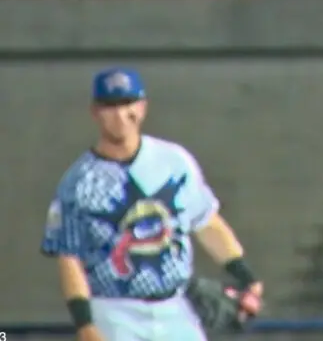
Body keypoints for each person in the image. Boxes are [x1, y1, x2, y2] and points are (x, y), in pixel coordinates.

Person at [41, 67, 263, 341]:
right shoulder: (79, 181)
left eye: (128, 103)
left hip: (176, 306)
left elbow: (206, 223)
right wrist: (85, 324)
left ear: (143, 107)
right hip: (114, 309)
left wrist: (245, 275)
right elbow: (69, 258)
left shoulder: (174, 161)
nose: (121, 115)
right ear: (95, 112)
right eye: (110, 106)